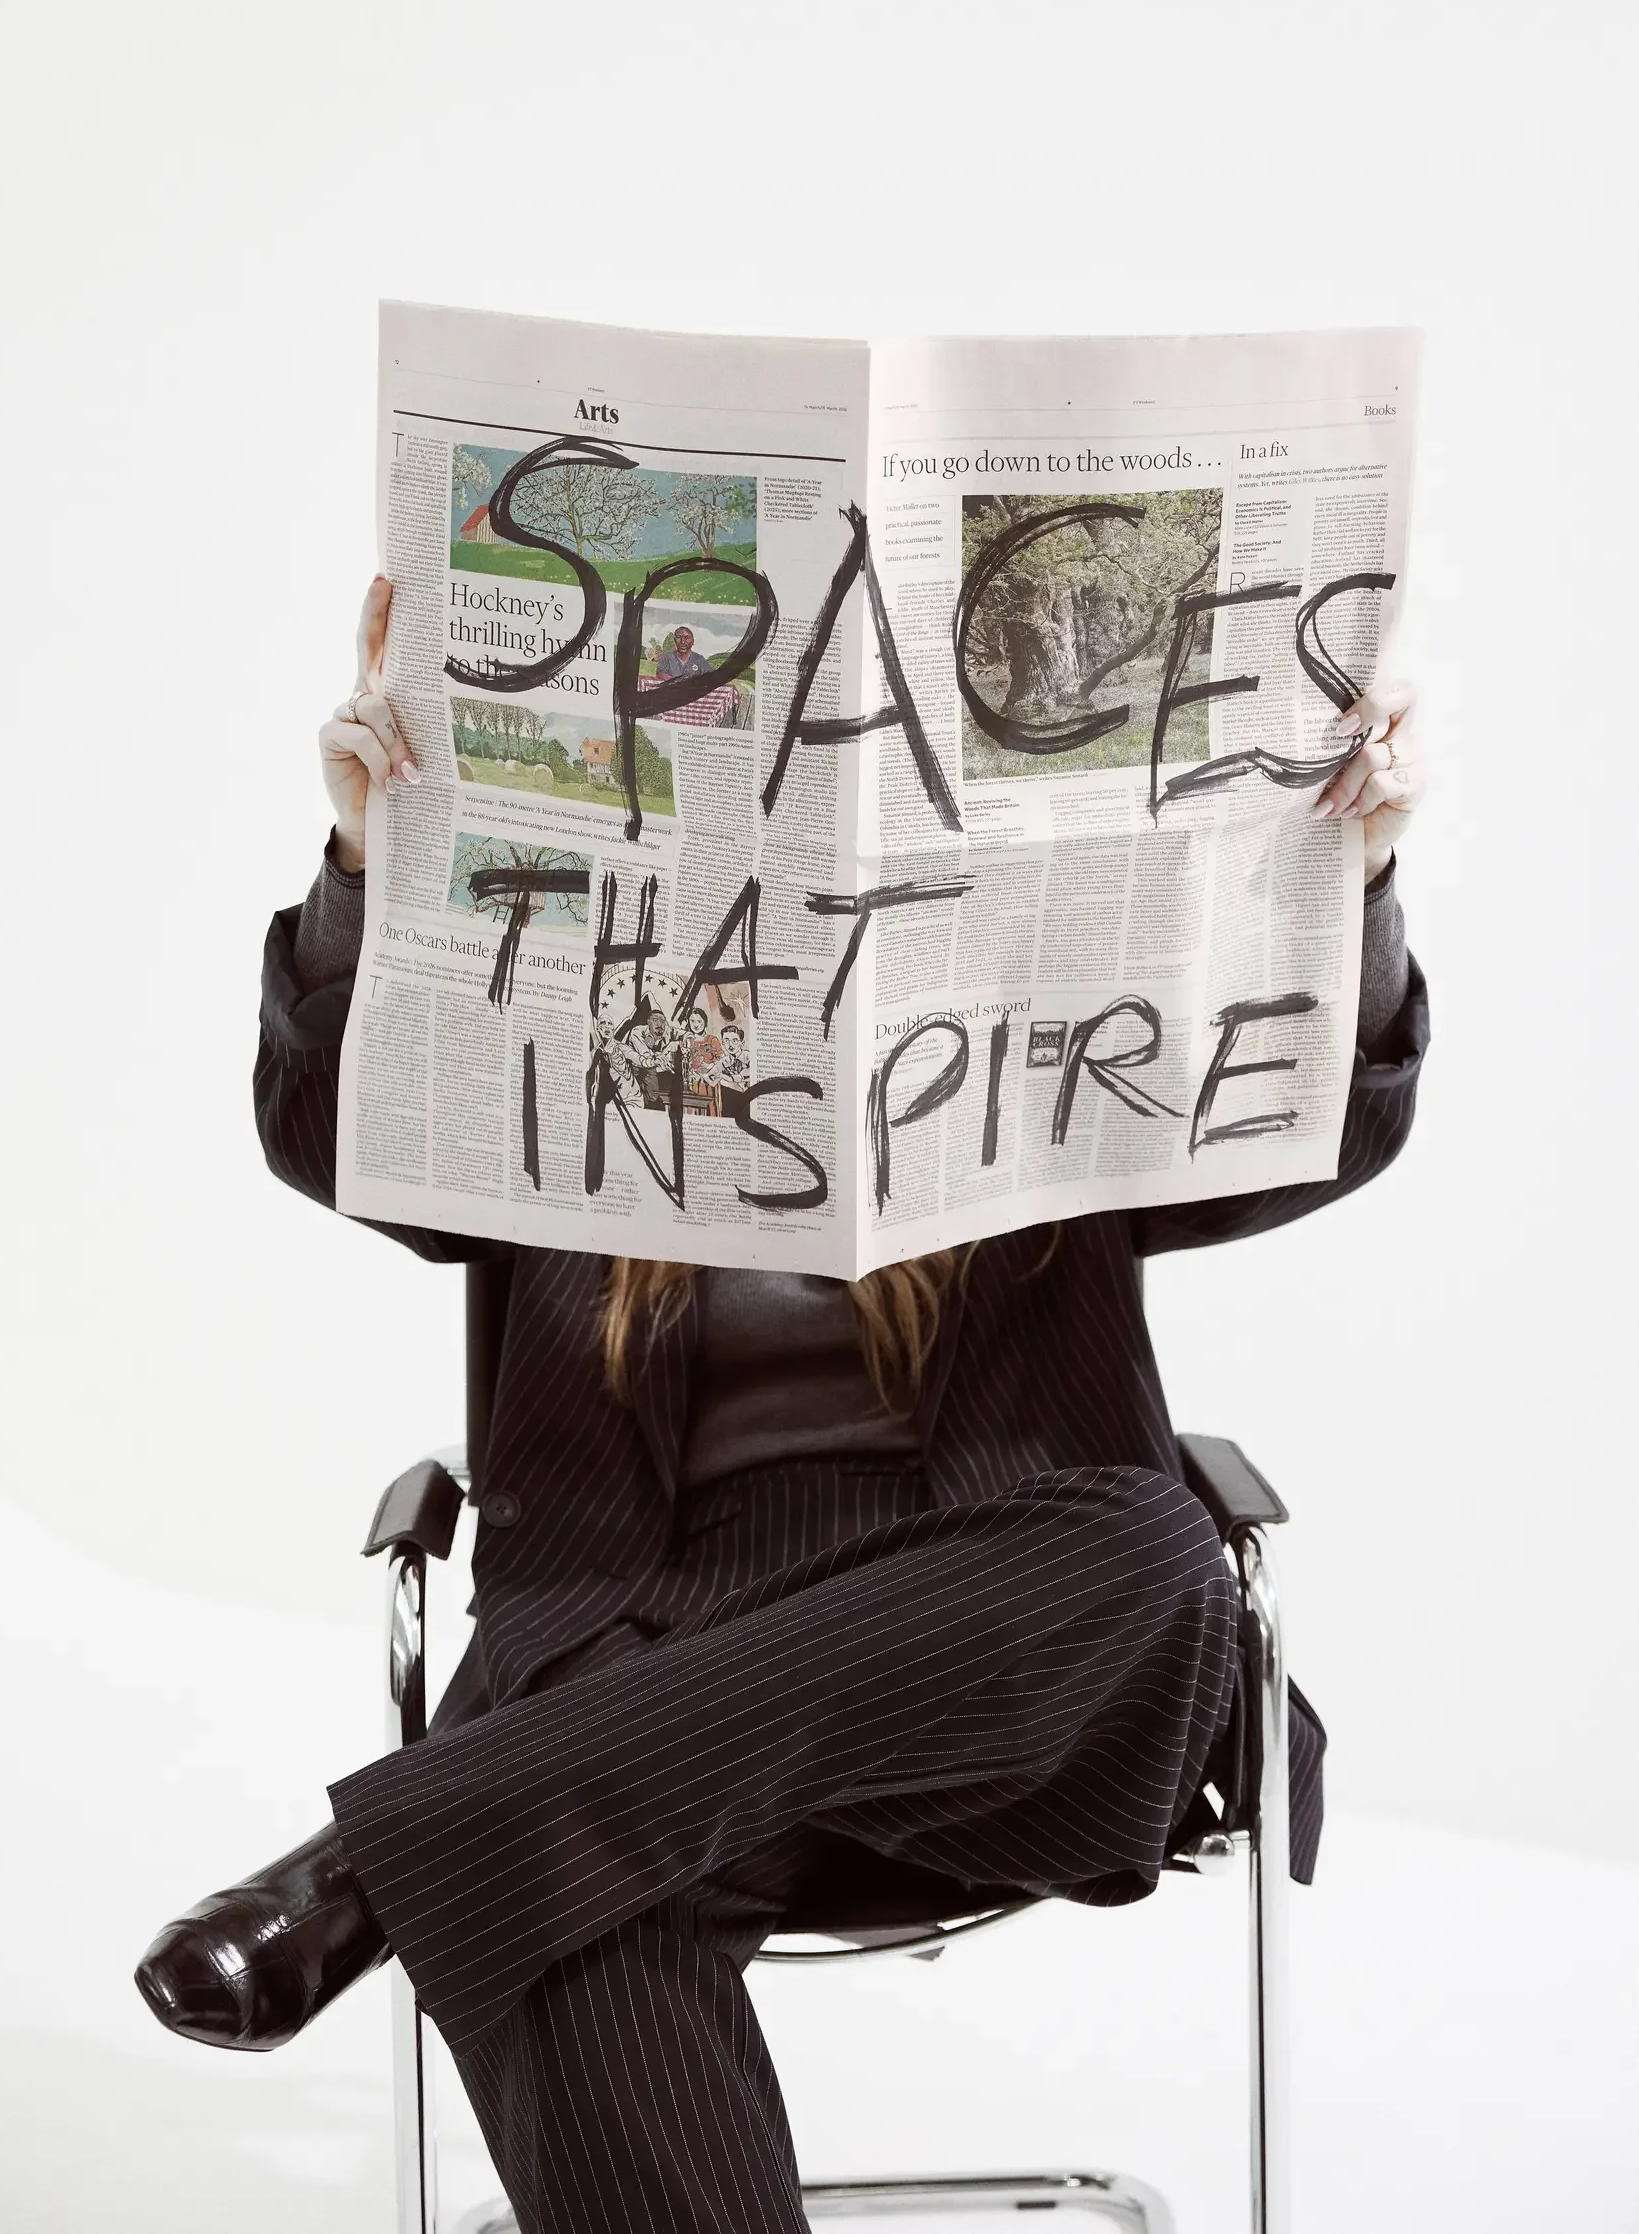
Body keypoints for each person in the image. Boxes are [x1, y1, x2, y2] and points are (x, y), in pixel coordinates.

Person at [134, 576, 1428, 2234]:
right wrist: (366, 861)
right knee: (564, 1907)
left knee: (1151, 1546)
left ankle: (388, 1859)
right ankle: (467, 1832)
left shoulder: (1047, 1009)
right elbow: (333, 1137)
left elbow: (1311, 1130)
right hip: (641, 1646)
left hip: (1013, 1668)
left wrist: (1352, 876)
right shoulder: (566, 1016)